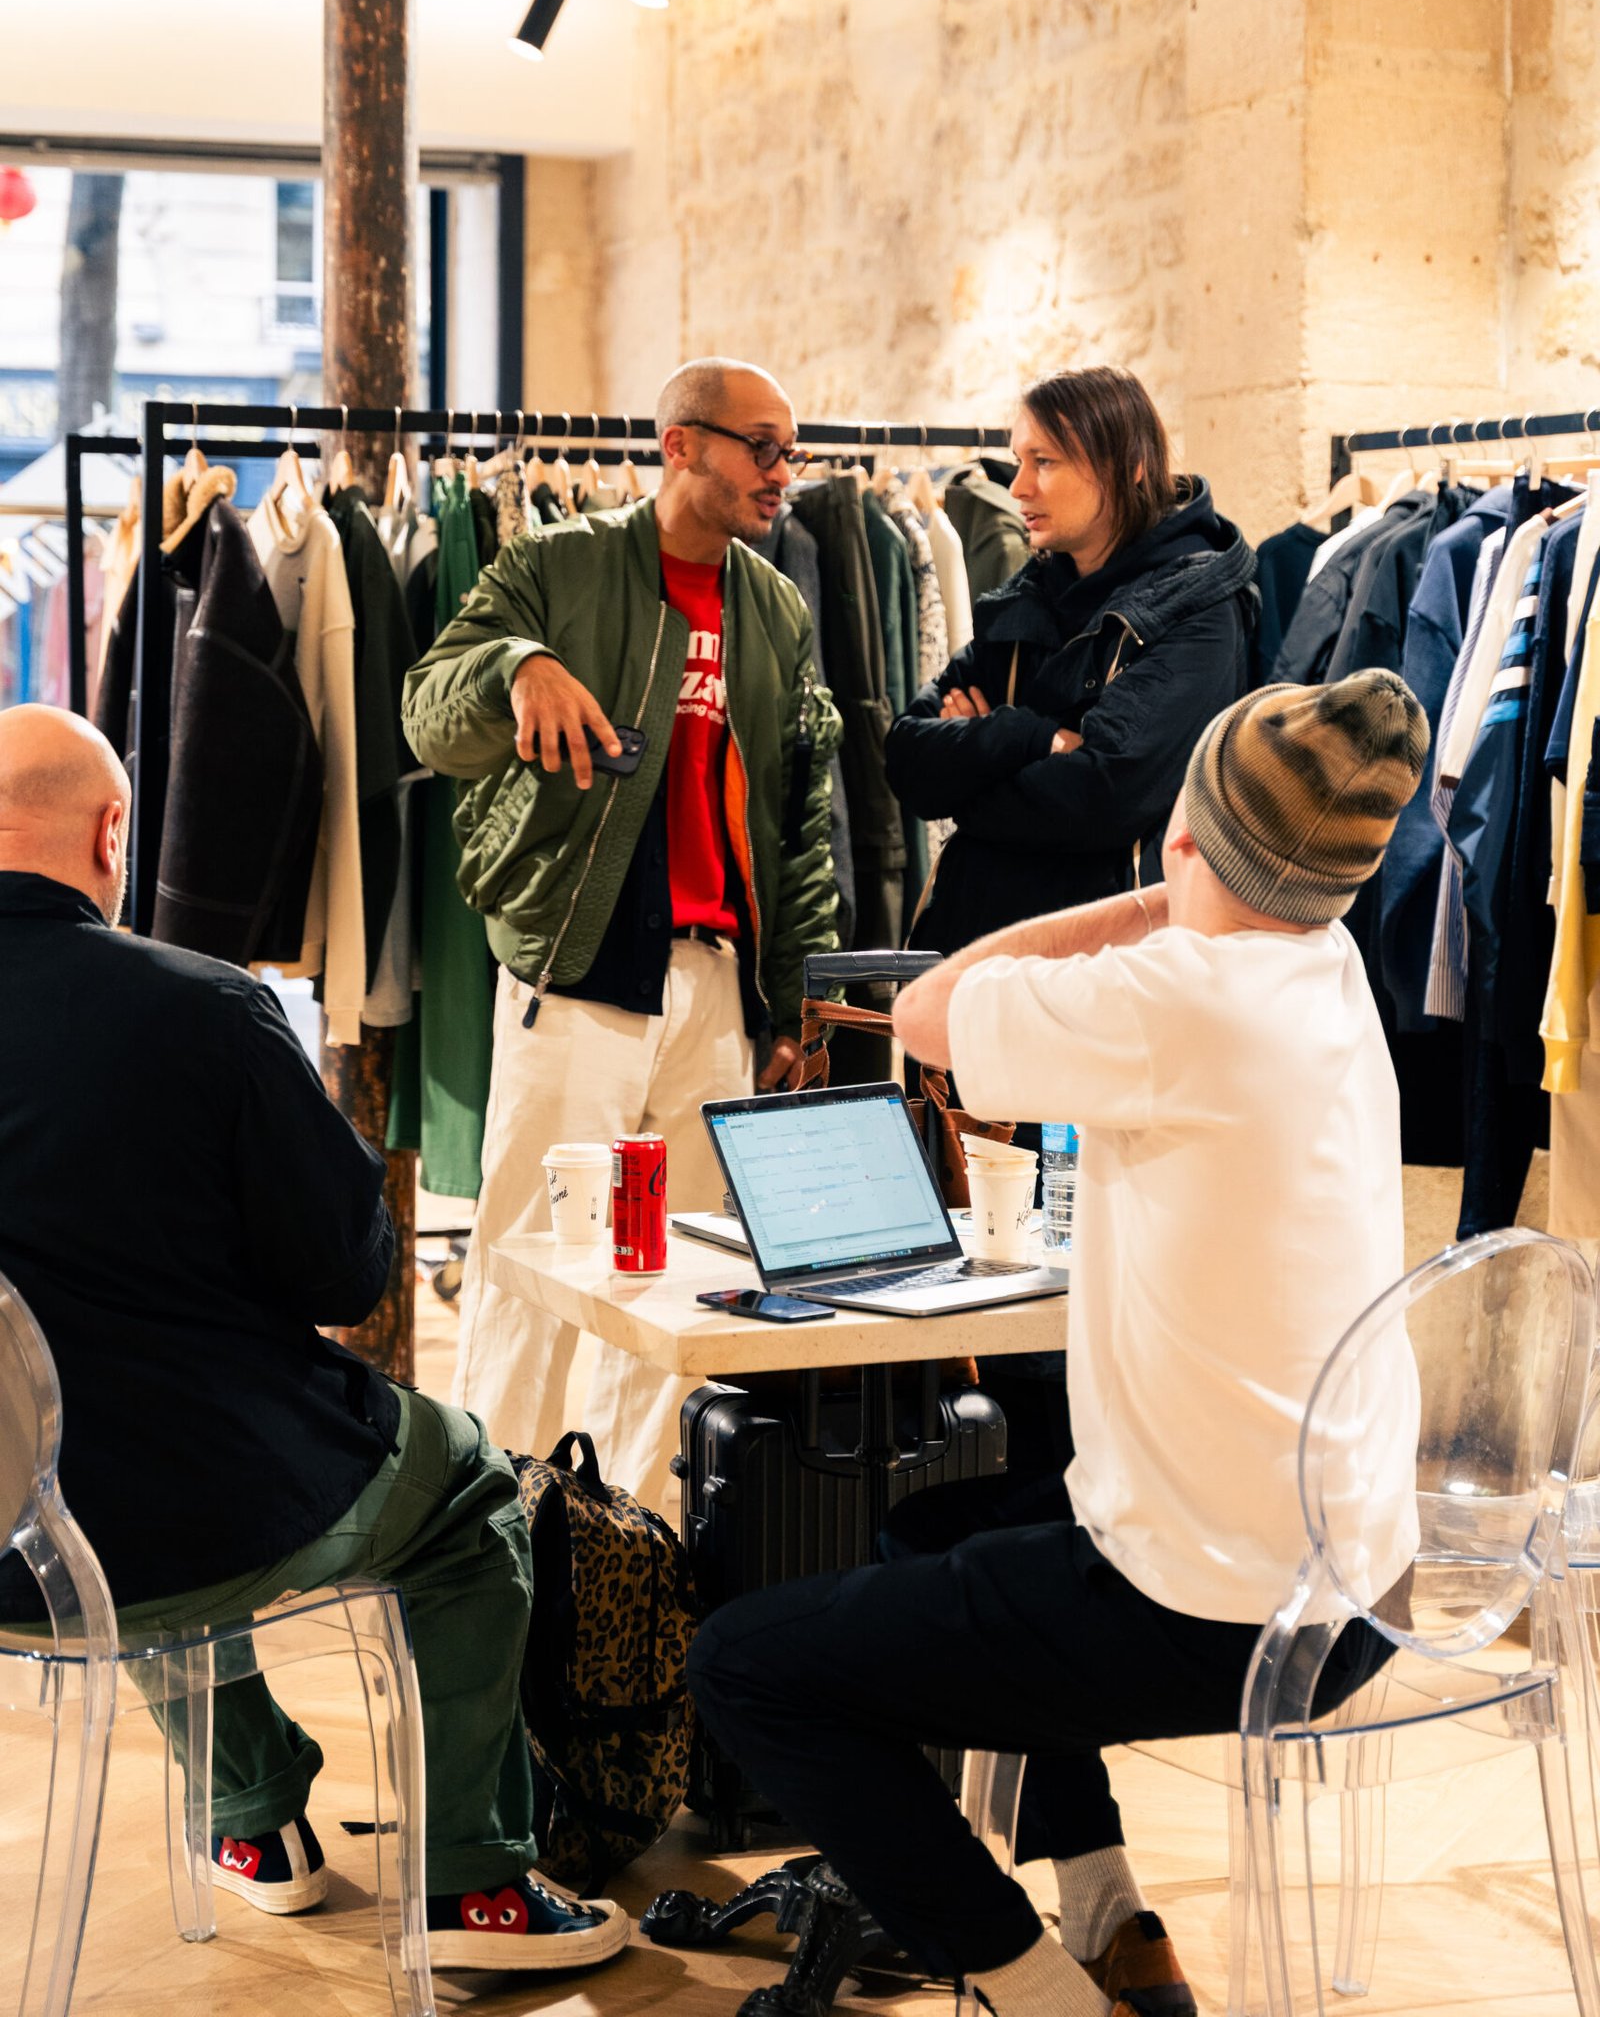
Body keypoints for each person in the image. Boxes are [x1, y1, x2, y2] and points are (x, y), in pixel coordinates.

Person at [689, 670, 1428, 2017]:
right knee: (933, 1530)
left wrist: (1150, 897)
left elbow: (928, 1010)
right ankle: (1108, 1914)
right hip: (1359, 1582)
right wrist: (1195, 884)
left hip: (1210, 1610)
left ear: (1190, 831)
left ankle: (1038, 1995)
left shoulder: (1182, 992)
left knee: (747, 1667)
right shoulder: (1327, 966)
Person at [0, 705, 627, 1977]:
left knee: (104, 1452)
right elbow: (345, 1274)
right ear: (114, 834)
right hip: (178, 1514)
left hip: (20, 1533)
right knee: (466, 1487)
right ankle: (473, 1887)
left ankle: (253, 1819)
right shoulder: (203, 1010)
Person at [401, 358, 842, 1507]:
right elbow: (427, 713)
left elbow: (798, 822)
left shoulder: (774, 607)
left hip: (718, 986)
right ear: (680, 444)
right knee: (535, 1274)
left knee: (685, 1285)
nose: (781, 472)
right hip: (580, 968)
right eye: (761, 446)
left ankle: (639, 1541)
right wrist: (517, 666)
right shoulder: (561, 564)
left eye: (790, 451)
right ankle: (496, 1534)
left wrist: (790, 1004)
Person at [886, 367, 1256, 1482]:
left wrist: (987, 751)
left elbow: (1109, 790)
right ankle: (975, 1514)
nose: (1019, 486)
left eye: (1045, 461)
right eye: (1018, 460)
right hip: (977, 981)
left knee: (1060, 1293)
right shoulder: (1028, 596)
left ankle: (1068, 1518)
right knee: (963, 1277)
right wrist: (1021, 737)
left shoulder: (1195, 605)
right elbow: (906, 757)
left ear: (1125, 465)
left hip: (1097, 986)